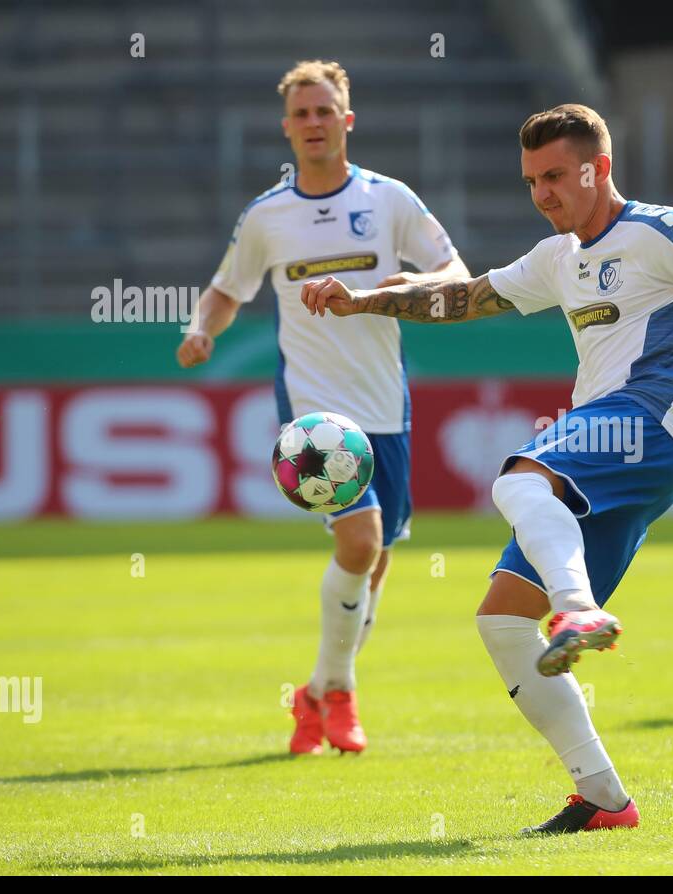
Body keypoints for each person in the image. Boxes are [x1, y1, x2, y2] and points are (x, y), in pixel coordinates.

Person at [300, 104, 673, 833]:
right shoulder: (557, 258)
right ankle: (606, 800)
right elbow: (462, 296)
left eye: (555, 176)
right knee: (502, 623)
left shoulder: (663, 231)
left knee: (518, 479)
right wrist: (365, 299)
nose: (542, 194)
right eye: (530, 182)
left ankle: (579, 609)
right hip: (617, 452)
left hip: (654, 416)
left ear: (599, 168)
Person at [176, 60, 468, 754]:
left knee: (378, 558)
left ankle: (316, 691)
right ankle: (339, 696)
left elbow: (456, 273)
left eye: (324, 111)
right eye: (301, 114)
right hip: (312, 402)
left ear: (348, 120)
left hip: (384, 404)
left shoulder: (390, 199)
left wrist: (418, 284)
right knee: (361, 541)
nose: (313, 123)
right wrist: (199, 329)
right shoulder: (266, 216)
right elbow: (227, 289)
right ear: (286, 128)